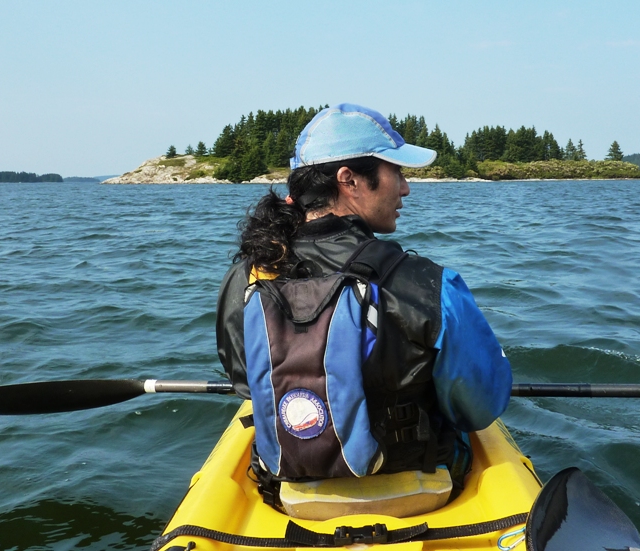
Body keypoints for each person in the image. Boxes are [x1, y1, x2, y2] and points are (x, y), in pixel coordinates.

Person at [216, 103, 511, 507]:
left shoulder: (243, 280)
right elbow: (481, 407)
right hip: (419, 494)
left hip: (293, 498)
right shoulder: (429, 284)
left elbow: (246, 382)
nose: (405, 188)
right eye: (398, 173)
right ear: (349, 179)